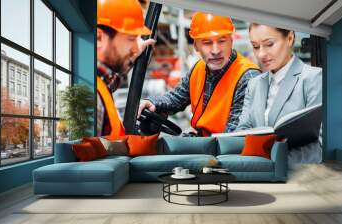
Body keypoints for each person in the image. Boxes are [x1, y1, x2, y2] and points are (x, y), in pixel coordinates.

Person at [138, 12, 261, 136]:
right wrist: (151, 102)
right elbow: (175, 98)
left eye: (222, 41)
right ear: (196, 46)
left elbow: (234, 137)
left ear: (231, 41)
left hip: (225, 151)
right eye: (207, 43)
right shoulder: (198, 68)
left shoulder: (247, 77)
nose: (215, 50)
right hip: (208, 145)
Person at [236, 23, 322, 164]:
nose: (261, 54)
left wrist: (275, 162)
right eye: (256, 46)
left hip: (295, 174)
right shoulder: (254, 85)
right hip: (255, 169)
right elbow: (242, 131)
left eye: (269, 44)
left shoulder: (313, 78)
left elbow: (320, 144)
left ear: (289, 38)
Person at [96, 0, 155, 139]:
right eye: (131, 39)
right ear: (99, 37)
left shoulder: (100, 83)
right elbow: (88, 159)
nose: (135, 48)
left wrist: (130, 58)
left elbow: (110, 81)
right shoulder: (91, 96)